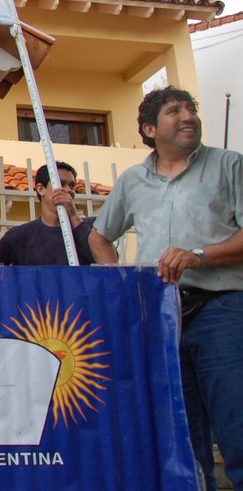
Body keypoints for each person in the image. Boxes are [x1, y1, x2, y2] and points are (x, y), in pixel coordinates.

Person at [89, 86, 243, 491]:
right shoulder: (132, 181)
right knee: (182, 433)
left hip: (224, 309)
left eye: (190, 108)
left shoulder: (229, 165)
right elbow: (99, 237)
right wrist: (121, 282)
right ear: (149, 128)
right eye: (175, 111)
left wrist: (199, 256)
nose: (188, 116)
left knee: (237, 426)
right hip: (162, 316)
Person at [0, 162, 96, 265]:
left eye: (72, 186)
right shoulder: (18, 237)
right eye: (61, 184)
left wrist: (73, 215)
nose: (68, 190)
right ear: (41, 189)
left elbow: (106, 260)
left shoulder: (91, 228)